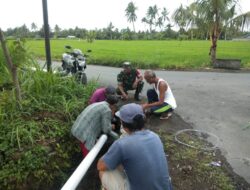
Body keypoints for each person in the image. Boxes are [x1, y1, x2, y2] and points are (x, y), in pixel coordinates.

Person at [97, 103, 173, 190]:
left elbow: (100, 166)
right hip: (166, 187)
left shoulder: (122, 144)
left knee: (104, 172)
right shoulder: (154, 136)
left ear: (123, 125)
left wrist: (112, 152)